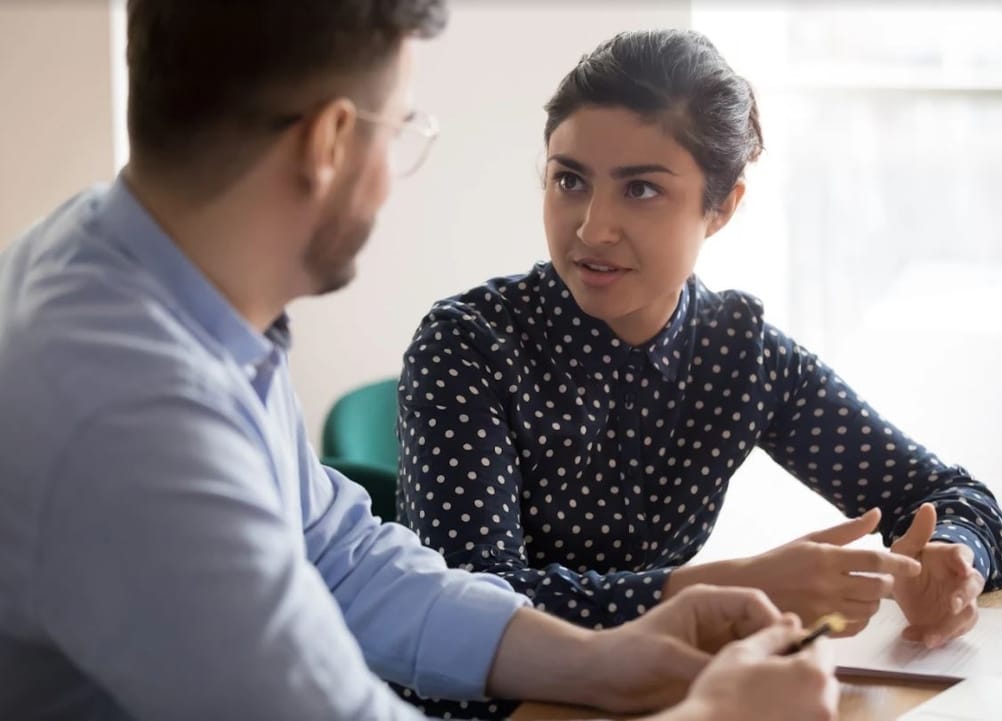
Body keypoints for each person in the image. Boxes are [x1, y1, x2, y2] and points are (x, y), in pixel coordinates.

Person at [0, 3, 841, 721]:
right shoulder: (132, 416)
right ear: (330, 141)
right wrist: (714, 714)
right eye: (401, 128)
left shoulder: (133, 269)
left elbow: (342, 557)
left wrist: (604, 658)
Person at [398, 28, 1002, 653]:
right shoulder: (467, 345)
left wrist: (951, 564)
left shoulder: (739, 358)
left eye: (641, 189)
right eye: (570, 181)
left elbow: (952, 496)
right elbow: (466, 603)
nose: (593, 227)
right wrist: (729, 592)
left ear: (721, 208)